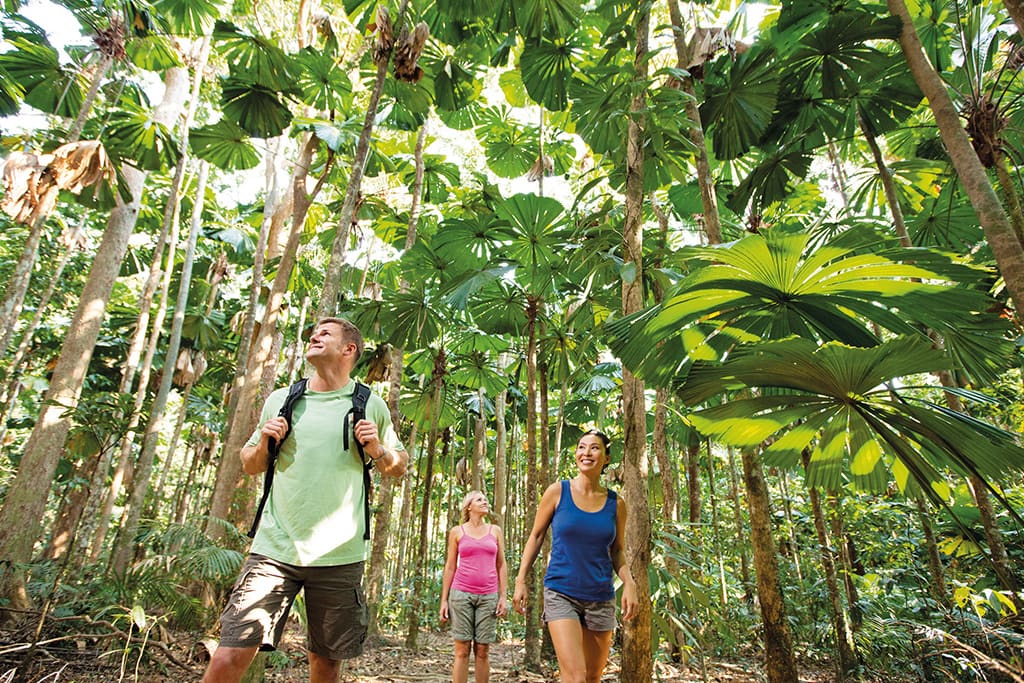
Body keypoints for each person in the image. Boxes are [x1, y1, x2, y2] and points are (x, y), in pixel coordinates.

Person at [203, 317, 408, 683]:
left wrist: (376, 448)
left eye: (325, 333)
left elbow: (399, 466)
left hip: (339, 556)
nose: (314, 336)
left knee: (326, 665)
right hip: (274, 550)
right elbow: (250, 463)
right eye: (314, 332)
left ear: (349, 350)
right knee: (228, 656)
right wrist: (266, 440)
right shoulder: (283, 399)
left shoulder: (369, 403)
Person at [512, 429, 638, 683]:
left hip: (600, 596)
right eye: (582, 447)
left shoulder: (617, 504)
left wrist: (630, 583)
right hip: (561, 592)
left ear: (606, 458)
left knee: (592, 677)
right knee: (575, 676)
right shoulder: (558, 492)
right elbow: (536, 536)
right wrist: (520, 579)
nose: (586, 452)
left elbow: (617, 550)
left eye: (594, 448)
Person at [439, 491, 509, 683]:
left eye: (486, 499)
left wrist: (503, 596)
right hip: (460, 595)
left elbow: (501, 564)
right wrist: (444, 600)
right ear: (469, 506)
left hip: (488, 596)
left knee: (483, 650)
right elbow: (451, 566)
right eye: (479, 499)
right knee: (462, 650)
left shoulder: (495, 531)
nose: (485, 501)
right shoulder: (457, 532)